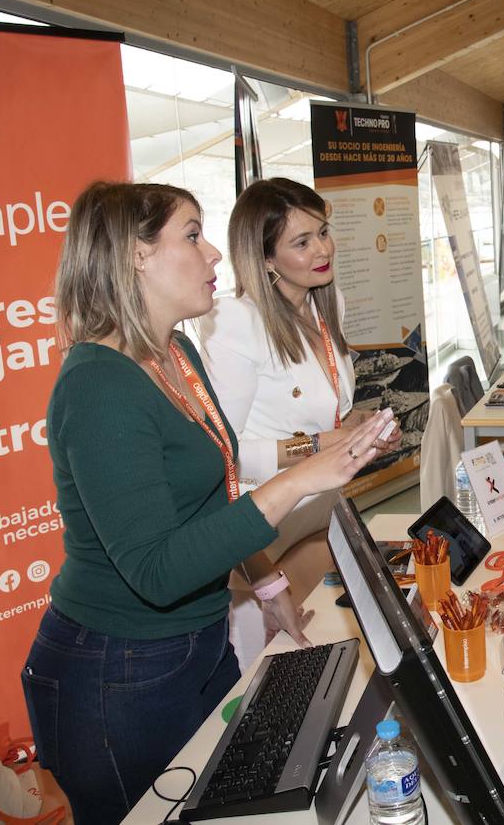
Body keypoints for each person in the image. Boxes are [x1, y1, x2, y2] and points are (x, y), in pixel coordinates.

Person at [23, 182, 388, 824]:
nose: (215, 252)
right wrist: (298, 478)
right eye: (192, 235)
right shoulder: (98, 385)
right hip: (116, 671)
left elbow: (216, 492)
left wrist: (268, 588)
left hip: (197, 641)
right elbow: (156, 570)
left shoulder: (177, 354)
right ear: (136, 255)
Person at [198, 177, 401, 669]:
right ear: (265, 258)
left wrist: (361, 425)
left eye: (323, 233)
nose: (322, 250)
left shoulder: (325, 304)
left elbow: (326, 411)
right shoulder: (235, 322)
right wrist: (321, 444)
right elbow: (224, 455)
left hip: (321, 518)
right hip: (260, 536)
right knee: (274, 673)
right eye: (302, 242)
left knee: (330, 658)